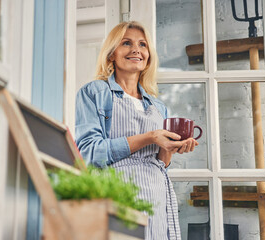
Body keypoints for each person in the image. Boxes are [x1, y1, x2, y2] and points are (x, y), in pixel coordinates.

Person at [75, 21, 198, 240]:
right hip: (117, 199)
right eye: (126, 43)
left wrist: (171, 148)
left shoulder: (158, 106)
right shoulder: (95, 92)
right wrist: (150, 137)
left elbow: (160, 163)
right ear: (111, 54)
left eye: (142, 45)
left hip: (157, 202)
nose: (136, 50)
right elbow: (89, 153)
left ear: (148, 55)